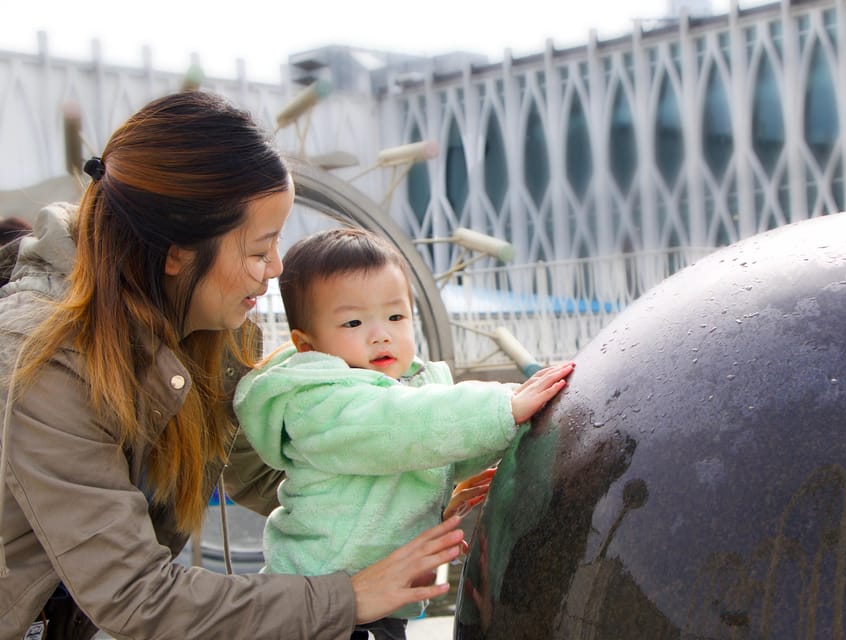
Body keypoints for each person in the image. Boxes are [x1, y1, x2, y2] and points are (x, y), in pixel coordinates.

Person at [0, 91, 468, 640]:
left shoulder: (214, 327)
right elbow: (134, 597)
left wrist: (422, 479)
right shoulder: (45, 362)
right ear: (175, 252)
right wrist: (348, 597)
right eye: (257, 249)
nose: (276, 267)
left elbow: (277, 467)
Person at [233, 227, 575, 640]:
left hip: (376, 605)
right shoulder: (319, 403)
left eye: (396, 316)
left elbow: (431, 445)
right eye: (354, 321)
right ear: (308, 345)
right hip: (319, 606)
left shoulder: (408, 393)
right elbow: (396, 425)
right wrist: (504, 408)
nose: (381, 333)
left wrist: (507, 435)